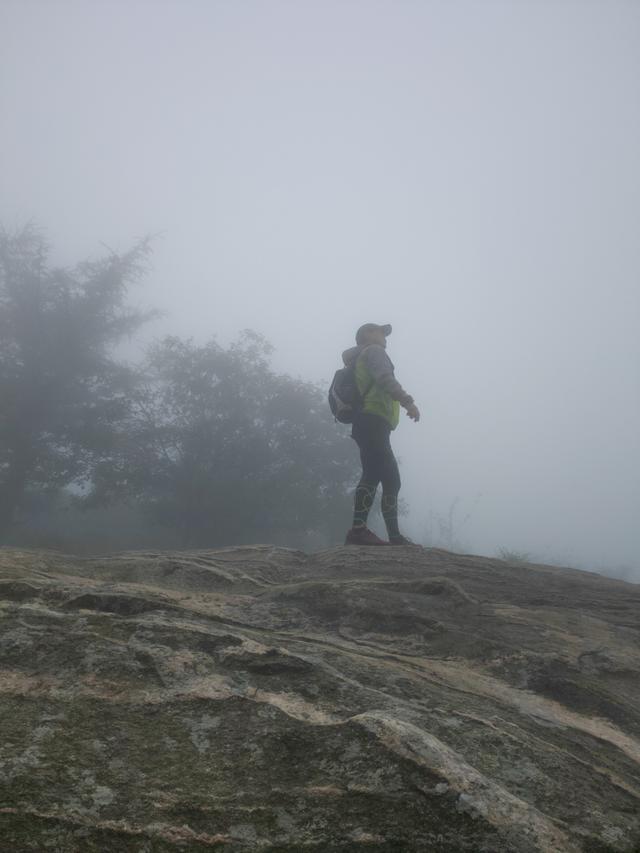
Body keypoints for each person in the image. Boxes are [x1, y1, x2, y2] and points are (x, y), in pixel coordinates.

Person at [343, 323, 420, 546]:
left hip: (369, 422)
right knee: (379, 475)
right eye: (380, 332)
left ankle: (392, 536)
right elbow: (385, 378)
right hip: (372, 419)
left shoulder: (359, 357)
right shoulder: (374, 351)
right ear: (368, 334)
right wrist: (408, 402)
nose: (385, 337)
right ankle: (359, 531)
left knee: (386, 477)